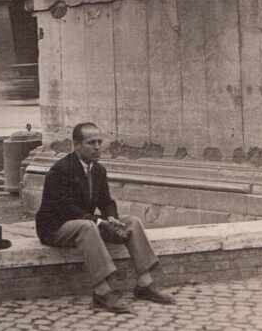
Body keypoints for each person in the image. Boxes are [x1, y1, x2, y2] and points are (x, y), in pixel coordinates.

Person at [35, 121, 175, 314]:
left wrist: (112, 218)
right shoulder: (61, 170)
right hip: (55, 227)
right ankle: (102, 292)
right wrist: (100, 222)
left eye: (99, 142)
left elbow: (106, 201)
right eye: (91, 143)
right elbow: (66, 209)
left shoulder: (98, 170)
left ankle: (144, 284)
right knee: (87, 227)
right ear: (76, 145)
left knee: (132, 222)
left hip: (86, 222)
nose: (97, 147)